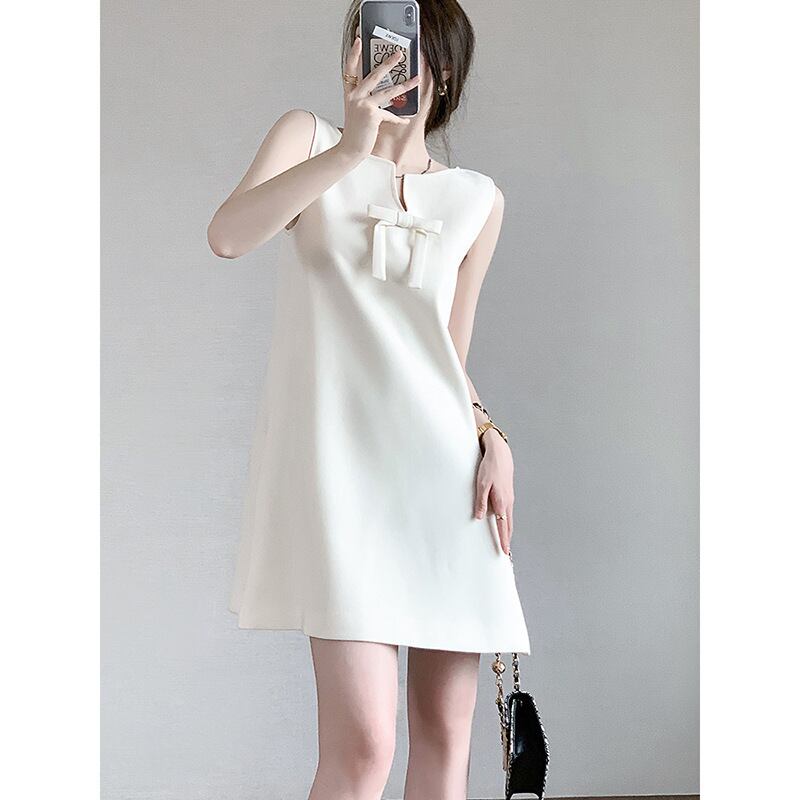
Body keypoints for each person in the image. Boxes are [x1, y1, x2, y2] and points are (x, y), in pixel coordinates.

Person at [207, 2, 529, 797]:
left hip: (446, 483)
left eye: (401, 46)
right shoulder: (308, 139)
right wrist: (353, 149)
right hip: (342, 481)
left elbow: (448, 355)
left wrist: (492, 434)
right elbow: (228, 235)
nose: (379, 56)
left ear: (442, 68)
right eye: (367, 39)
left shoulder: (478, 200)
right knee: (362, 748)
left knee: (446, 736)